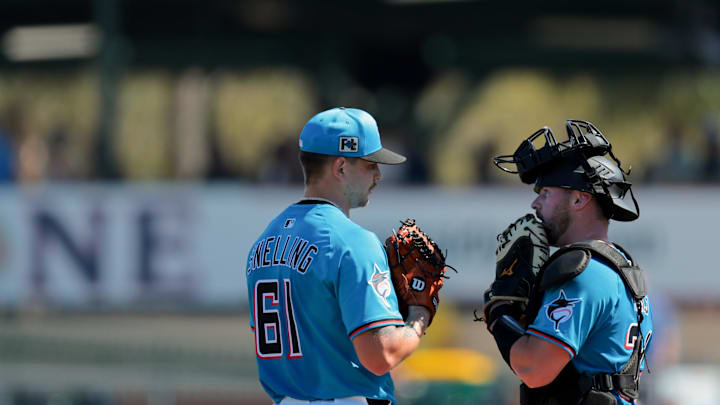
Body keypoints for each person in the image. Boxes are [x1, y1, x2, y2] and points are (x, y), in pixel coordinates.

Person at [246, 107, 432, 405]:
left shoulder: (264, 242)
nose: (379, 175)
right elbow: (380, 356)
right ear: (341, 167)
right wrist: (419, 316)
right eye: (371, 165)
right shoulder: (352, 241)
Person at [481, 120, 654, 405]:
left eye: (546, 193)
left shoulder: (584, 273)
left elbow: (533, 368)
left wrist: (499, 310)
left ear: (578, 199)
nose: (535, 205)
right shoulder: (616, 264)